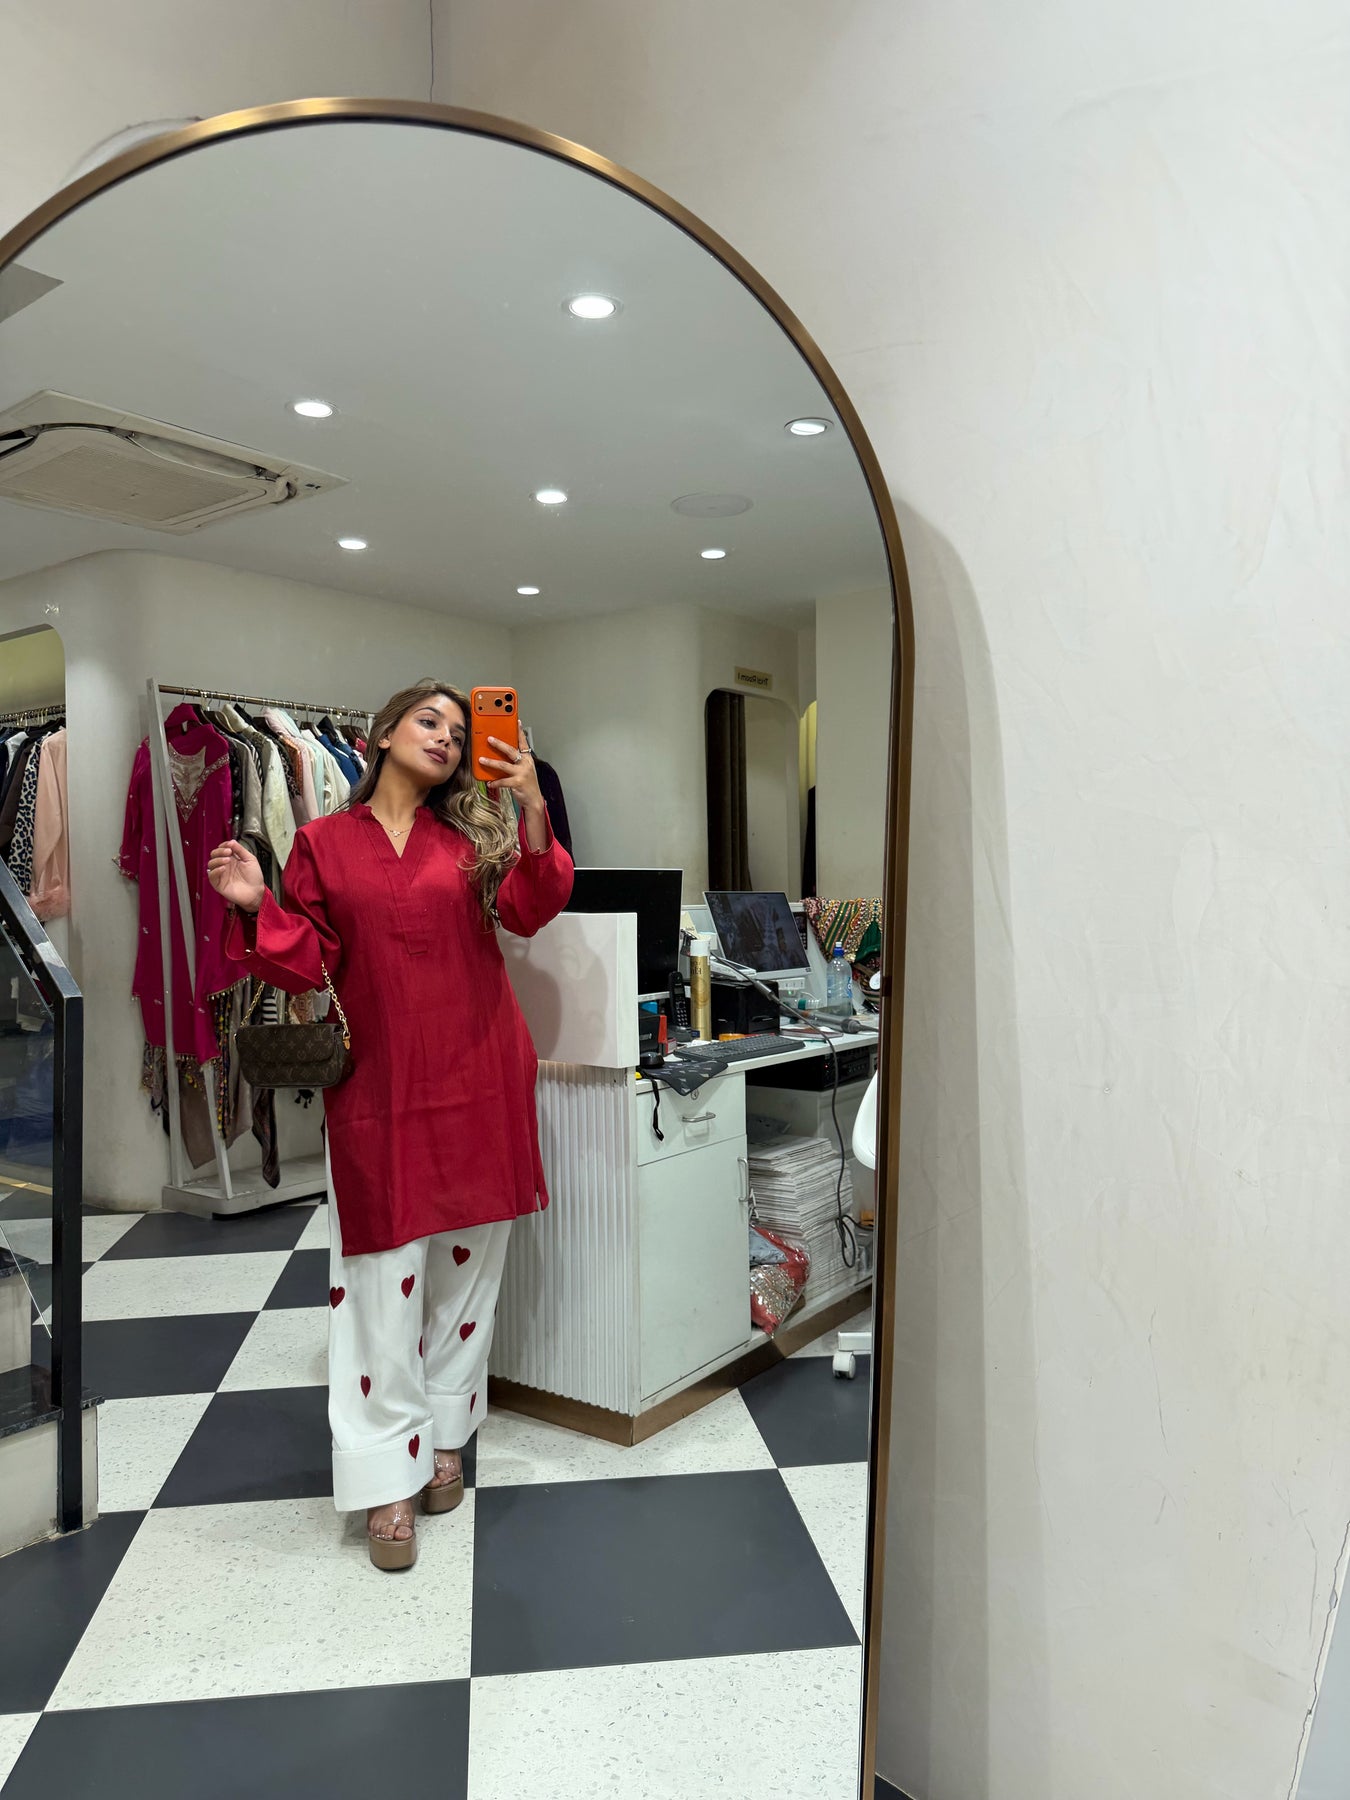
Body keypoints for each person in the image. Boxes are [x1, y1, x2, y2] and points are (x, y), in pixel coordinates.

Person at [207, 680, 573, 1570]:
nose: (446, 737)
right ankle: (385, 1476)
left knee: (466, 1279)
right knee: (379, 1283)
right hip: (379, 1088)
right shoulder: (324, 844)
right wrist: (258, 904)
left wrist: (530, 803)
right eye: (428, 721)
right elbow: (309, 964)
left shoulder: (475, 835)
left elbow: (531, 907)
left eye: (457, 729)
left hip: (481, 1076)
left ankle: (446, 1439)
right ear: (380, 734)